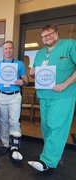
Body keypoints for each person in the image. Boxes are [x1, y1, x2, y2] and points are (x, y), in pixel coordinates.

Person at [28, 24, 76, 174]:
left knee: (56, 126)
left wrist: (64, 84)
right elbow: (36, 74)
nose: (47, 37)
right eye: (44, 36)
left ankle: (47, 161)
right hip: (44, 96)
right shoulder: (40, 53)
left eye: (50, 34)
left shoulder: (69, 44)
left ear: (56, 33)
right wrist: (32, 73)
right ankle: (54, 154)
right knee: (46, 127)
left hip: (63, 95)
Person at [0, 40, 28, 161]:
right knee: (3, 121)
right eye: (6, 49)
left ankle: (15, 145)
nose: (8, 50)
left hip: (14, 96)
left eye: (10, 48)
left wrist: (22, 82)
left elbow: (26, 80)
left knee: (14, 121)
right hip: (1, 95)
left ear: (13, 49)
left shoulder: (20, 64)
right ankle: (6, 144)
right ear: (3, 51)